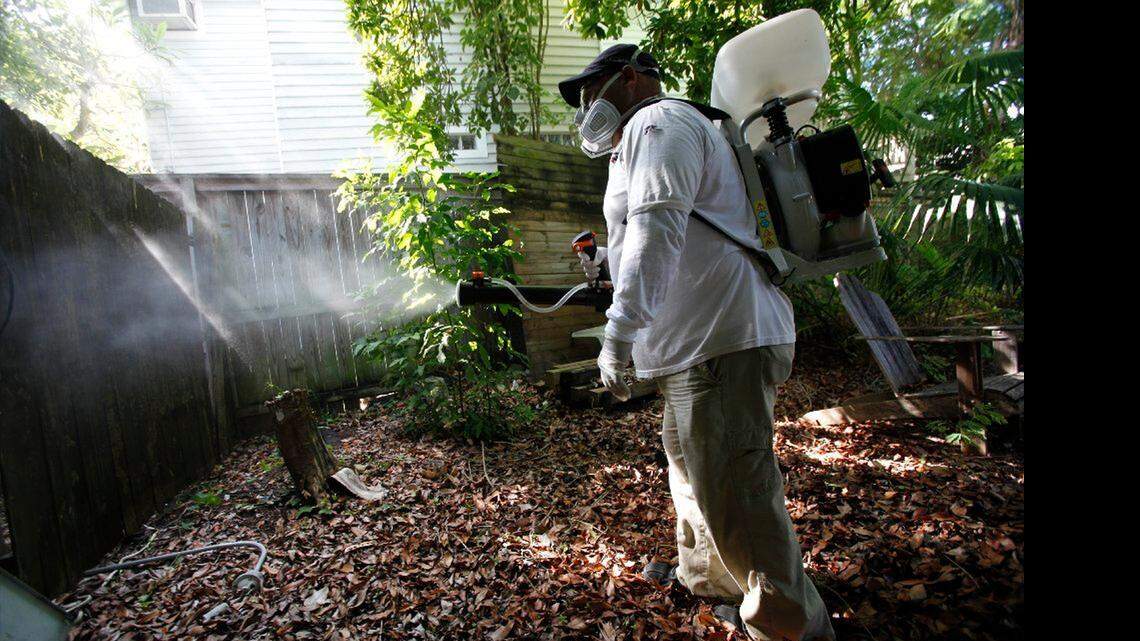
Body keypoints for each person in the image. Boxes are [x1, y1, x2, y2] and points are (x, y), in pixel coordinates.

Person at [557, 44, 836, 641]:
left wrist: (618, 336)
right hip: (695, 348)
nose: (586, 109)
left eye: (590, 93)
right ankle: (713, 583)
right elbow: (664, 236)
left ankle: (790, 628)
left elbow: (658, 228)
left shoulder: (658, 122)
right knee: (693, 477)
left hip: (720, 341)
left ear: (630, 78)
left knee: (740, 493)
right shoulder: (646, 137)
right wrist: (605, 260)